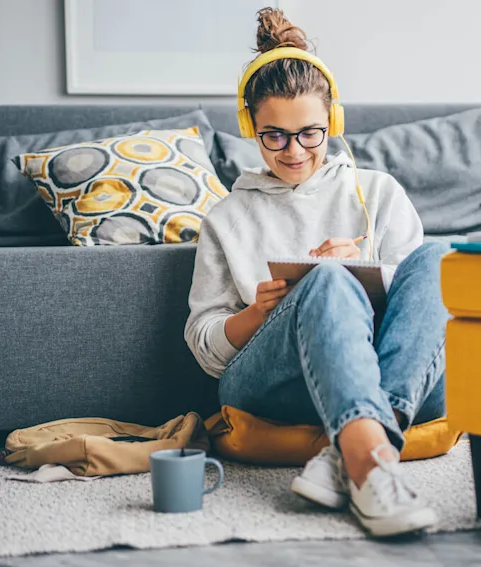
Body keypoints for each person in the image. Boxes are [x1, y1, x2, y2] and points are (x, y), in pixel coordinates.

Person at [184, 7, 450, 537]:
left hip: (395, 378)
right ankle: (373, 472)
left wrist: (365, 270)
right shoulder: (227, 217)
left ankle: (353, 446)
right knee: (326, 281)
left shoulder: (378, 192)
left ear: (335, 123)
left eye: (310, 133)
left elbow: (422, 316)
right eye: (274, 136)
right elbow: (206, 350)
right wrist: (258, 314)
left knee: (440, 259)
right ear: (249, 129)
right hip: (274, 386)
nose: (295, 152)